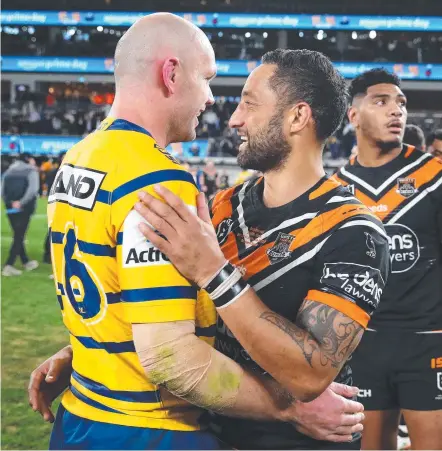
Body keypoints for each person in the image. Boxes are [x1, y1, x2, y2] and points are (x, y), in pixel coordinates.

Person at [31, 17, 365, 450]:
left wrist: (88, 352)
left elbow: (122, 294)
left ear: (298, 116)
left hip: (89, 416)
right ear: (171, 74)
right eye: (207, 79)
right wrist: (289, 406)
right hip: (148, 428)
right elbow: (169, 355)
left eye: (249, 104)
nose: (224, 111)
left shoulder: (80, 158)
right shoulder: (165, 185)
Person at [122, 49, 391, 449]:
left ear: (297, 117)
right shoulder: (221, 205)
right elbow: (166, 307)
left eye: (249, 104)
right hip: (212, 429)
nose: (234, 119)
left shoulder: (356, 233)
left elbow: (309, 375)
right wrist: (82, 352)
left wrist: (215, 272)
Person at [332, 69, 442, 450]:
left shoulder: (434, 177)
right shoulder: (335, 189)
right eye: (381, 101)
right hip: (364, 346)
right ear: (353, 115)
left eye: (401, 103)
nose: (396, 110)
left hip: (429, 343)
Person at [2, 152, 39, 276]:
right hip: (24, 207)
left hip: (10, 207)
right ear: (28, 159)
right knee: (19, 235)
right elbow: (33, 189)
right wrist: (21, 202)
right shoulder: (31, 171)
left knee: (18, 234)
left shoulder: (9, 171)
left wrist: (10, 202)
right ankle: (9, 265)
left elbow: (2, 189)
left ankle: (25, 261)